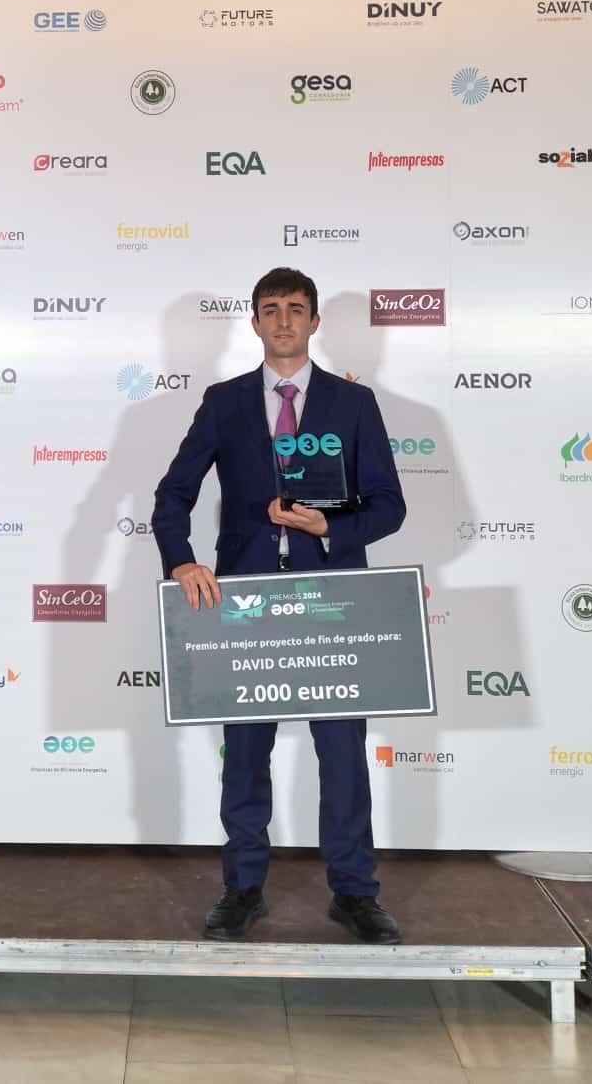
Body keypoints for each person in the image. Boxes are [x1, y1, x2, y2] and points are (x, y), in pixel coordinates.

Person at [152, 267, 407, 944]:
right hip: (246, 599)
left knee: (343, 753)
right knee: (244, 752)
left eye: (297, 309)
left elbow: (390, 505)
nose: (285, 320)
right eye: (272, 309)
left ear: (315, 322)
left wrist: (333, 529)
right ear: (256, 323)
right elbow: (172, 494)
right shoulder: (223, 402)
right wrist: (180, 559)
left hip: (333, 597)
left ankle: (354, 893)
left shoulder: (355, 406)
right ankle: (242, 889)